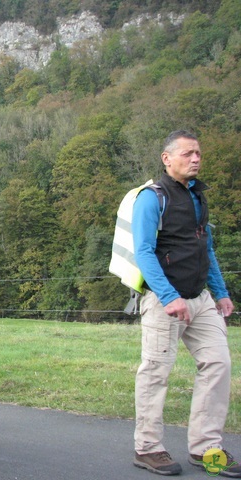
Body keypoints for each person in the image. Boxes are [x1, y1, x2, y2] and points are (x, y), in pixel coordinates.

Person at [131, 130, 240, 477]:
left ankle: (205, 447)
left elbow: (205, 248)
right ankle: (148, 448)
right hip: (165, 301)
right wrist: (169, 297)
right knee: (155, 373)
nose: (195, 159)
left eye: (198, 154)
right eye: (188, 153)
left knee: (218, 363)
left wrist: (220, 293)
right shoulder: (152, 198)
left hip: (200, 298)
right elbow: (144, 252)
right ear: (167, 158)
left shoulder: (198, 197)